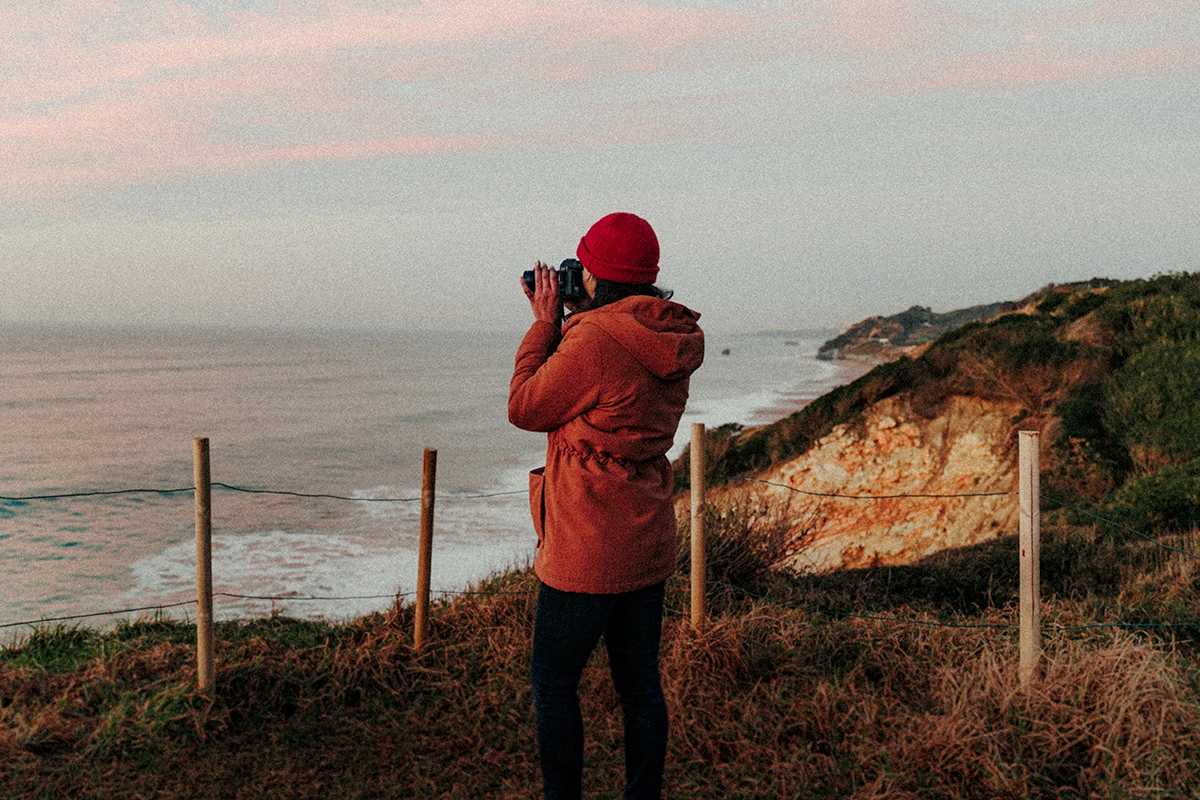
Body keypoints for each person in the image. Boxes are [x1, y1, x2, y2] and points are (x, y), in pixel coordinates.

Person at [508, 212, 704, 799]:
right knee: (640, 684)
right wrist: (576, 320)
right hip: (645, 536)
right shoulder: (668, 334)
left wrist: (545, 325)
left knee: (553, 683)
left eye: (582, 268)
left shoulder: (591, 340)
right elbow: (613, 385)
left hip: (587, 545)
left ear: (597, 277)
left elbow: (525, 406)